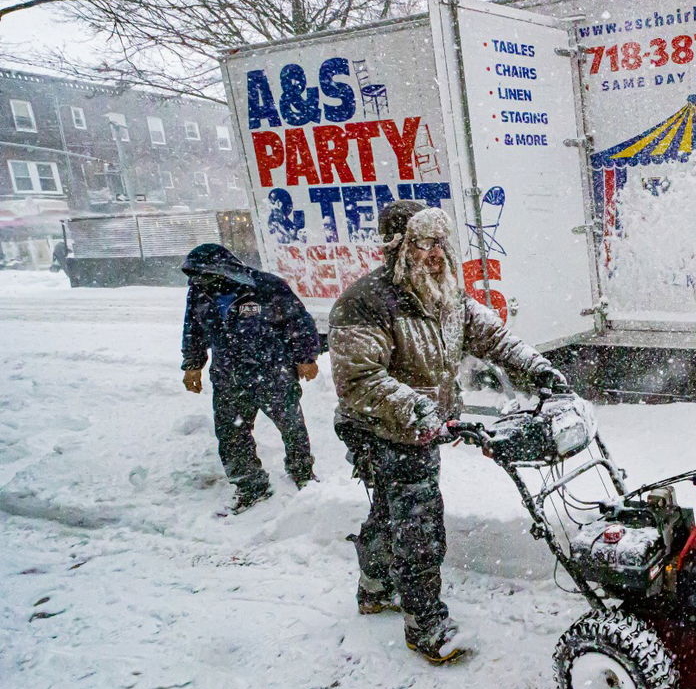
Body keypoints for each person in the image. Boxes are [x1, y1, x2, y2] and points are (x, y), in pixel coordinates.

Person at [329, 200, 566, 665]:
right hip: (379, 427)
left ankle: (375, 585)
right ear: (398, 248)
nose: (437, 253)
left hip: (423, 426)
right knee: (419, 523)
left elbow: (492, 338)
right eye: (424, 243)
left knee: (392, 511)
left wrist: (537, 369)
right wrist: (416, 407)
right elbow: (358, 379)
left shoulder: (446, 294)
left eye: (442, 242)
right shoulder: (365, 304)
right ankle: (426, 625)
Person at [180, 243, 321, 514]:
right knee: (231, 433)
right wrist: (193, 364)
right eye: (194, 276)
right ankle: (250, 486)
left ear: (222, 270)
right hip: (228, 376)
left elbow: (299, 322)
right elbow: (192, 329)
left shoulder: (266, 286)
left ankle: (303, 473)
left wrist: (306, 358)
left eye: (203, 274)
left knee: (291, 427)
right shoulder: (199, 293)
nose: (198, 281)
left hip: (272, 372)